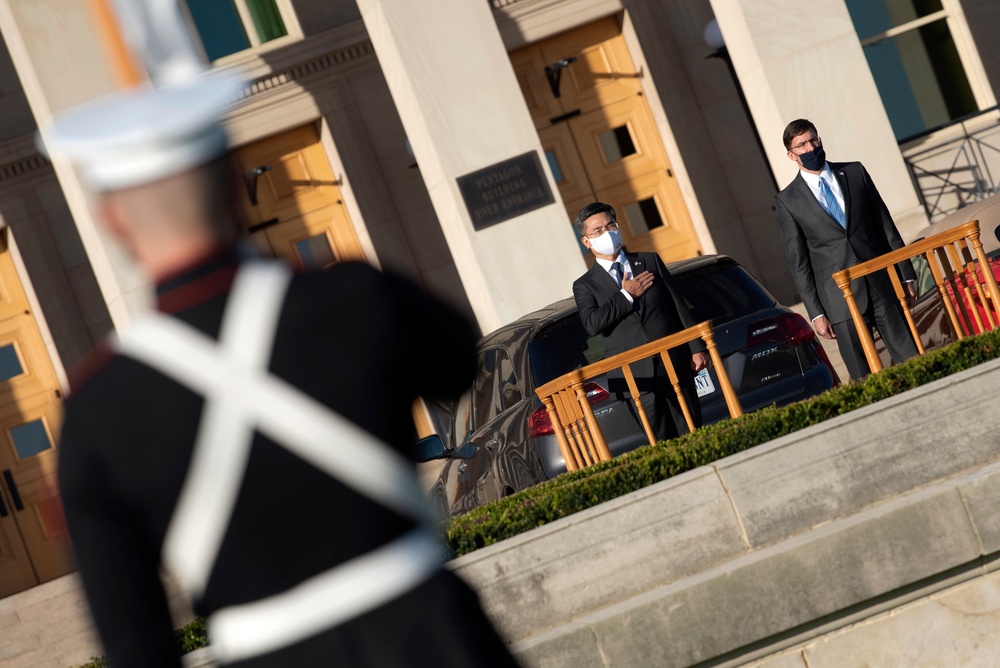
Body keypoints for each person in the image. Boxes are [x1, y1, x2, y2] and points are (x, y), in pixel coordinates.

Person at [47, 76, 519, 667]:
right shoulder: (352, 298)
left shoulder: (97, 409)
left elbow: (134, 641)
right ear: (237, 184)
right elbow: (457, 363)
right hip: (433, 639)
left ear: (112, 221)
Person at [775, 119, 918, 380]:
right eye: (802, 144)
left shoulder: (854, 172)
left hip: (881, 284)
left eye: (814, 140)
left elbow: (886, 227)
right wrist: (816, 312)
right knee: (862, 375)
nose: (811, 147)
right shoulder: (787, 201)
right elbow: (799, 264)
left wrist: (906, 274)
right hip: (839, 299)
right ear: (791, 155)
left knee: (912, 358)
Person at [572, 202, 709, 442]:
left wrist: (696, 348)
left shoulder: (648, 261)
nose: (607, 233)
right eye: (598, 230)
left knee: (693, 432)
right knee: (661, 441)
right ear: (586, 241)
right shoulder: (585, 285)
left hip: (674, 362)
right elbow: (593, 323)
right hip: (634, 377)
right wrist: (626, 295)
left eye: (610, 225)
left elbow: (678, 306)